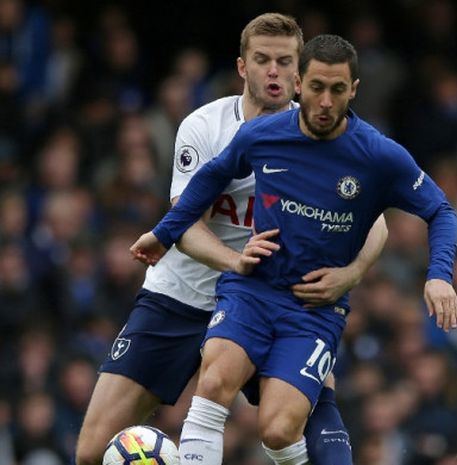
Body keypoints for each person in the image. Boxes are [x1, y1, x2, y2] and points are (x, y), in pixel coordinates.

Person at [131, 33, 457, 465]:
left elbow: (440, 210)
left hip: (313, 308)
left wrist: (438, 274)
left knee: (279, 430)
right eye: (318, 87)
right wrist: (165, 232)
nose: (326, 101)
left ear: (354, 90)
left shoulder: (378, 155)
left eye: (338, 89)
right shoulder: (263, 135)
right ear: (300, 83)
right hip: (252, 287)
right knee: (213, 382)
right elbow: (211, 177)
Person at [75, 14, 388, 465]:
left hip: (267, 298)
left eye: (286, 61)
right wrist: (234, 260)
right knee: (91, 452)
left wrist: (351, 274)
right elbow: (183, 223)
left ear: (301, 72)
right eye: (263, 60)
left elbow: (376, 225)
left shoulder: (324, 135)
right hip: (180, 296)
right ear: (243, 67)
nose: (275, 72)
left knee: (307, 414)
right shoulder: (204, 127)